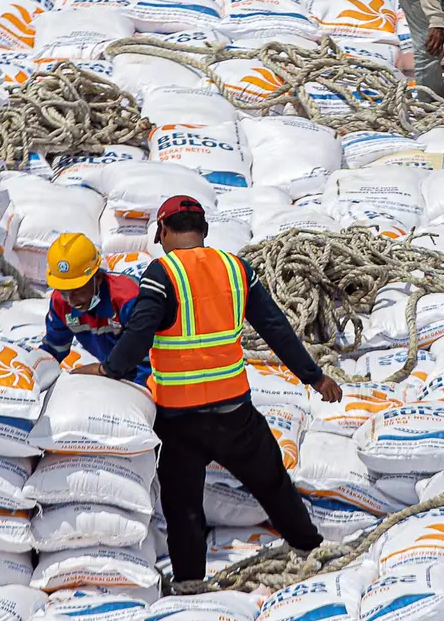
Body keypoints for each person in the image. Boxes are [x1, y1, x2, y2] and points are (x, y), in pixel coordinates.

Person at [72, 195, 343, 584]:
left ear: (162, 231)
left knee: (184, 507)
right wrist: (314, 377)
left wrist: (108, 368)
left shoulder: (161, 273)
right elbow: (276, 328)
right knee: (272, 484)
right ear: (205, 231)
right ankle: (310, 549)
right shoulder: (236, 269)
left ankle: (189, 586)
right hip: (235, 414)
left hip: (179, 421)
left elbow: (138, 334)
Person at [42, 232, 151, 386]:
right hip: (112, 372)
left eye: (77, 290)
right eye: (64, 291)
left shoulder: (128, 300)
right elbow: (53, 350)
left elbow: (148, 361)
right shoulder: (60, 302)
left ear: (98, 278)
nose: (71, 300)